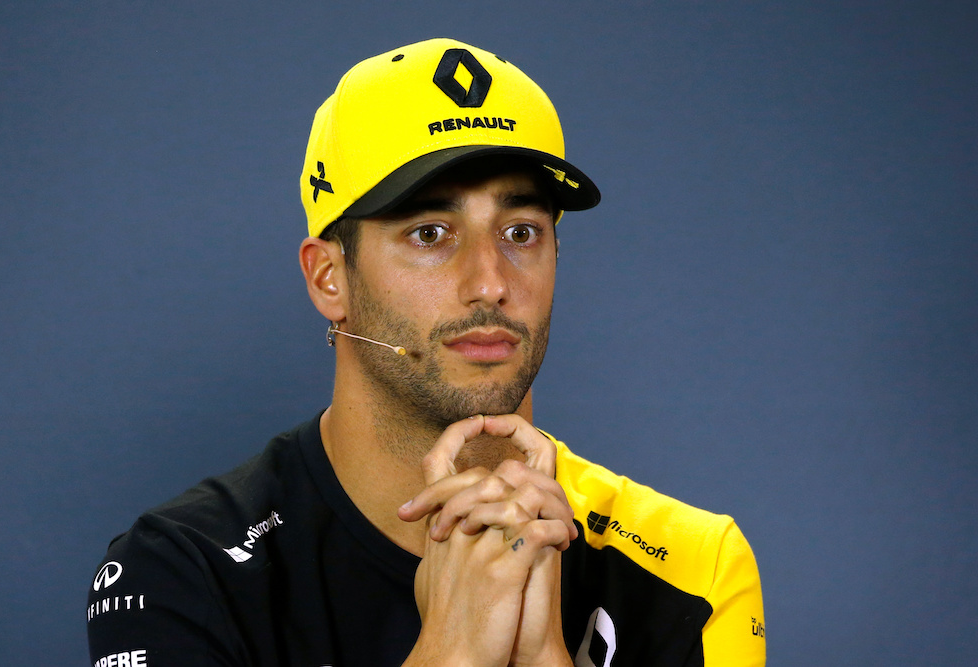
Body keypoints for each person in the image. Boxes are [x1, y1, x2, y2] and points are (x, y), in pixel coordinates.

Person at [86, 38, 765, 667]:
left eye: (522, 231)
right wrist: (451, 652)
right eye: (431, 232)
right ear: (330, 277)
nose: (491, 283)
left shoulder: (693, 570)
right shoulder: (179, 571)